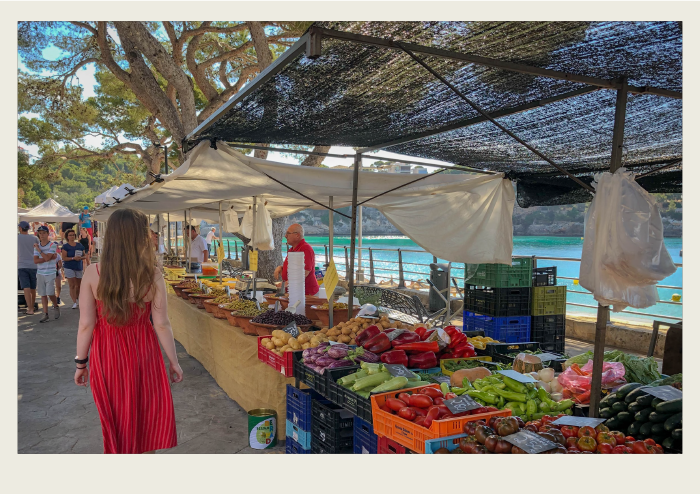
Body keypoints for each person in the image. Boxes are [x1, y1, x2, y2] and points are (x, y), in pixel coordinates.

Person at [74, 208, 183, 454]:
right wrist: (174, 362)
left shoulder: (93, 272)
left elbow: (86, 324)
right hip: (145, 351)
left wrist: (81, 363)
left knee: (117, 418)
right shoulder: (152, 273)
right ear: (140, 236)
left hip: (108, 354)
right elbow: (162, 323)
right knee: (147, 418)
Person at [274, 223, 320, 296]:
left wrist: (285, 284)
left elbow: (304, 272)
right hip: (294, 292)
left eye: (288, 233)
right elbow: (293, 268)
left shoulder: (305, 249)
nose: (285, 236)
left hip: (306, 294)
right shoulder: (292, 250)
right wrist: (281, 267)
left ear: (297, 235)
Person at [33, 225, 60, 322]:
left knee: (50, 292)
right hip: (40, 272)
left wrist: (41, 252)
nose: (42, 235)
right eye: (40, 233)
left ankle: (56, 305)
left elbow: (48, 258)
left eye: (44, 233)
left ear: (48, 234)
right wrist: (46, 257)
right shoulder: (36, 246)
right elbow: (36, 261)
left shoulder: (52, 245)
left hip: (50, 272)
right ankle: (45, 314)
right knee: (43, 294)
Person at [18, 221, 39, 315]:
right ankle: (32, 307)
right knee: (33, 287)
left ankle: (29, 308)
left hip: (22, 265)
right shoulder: (35, 238)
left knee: (26, 287)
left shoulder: (17, 238)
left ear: (20, 228)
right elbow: (39, 250)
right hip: (34, 265)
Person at [61, 229, 86, 309]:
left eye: (73, 235)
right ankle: (74, 301)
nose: (72, 236)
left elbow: (85, 256)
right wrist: (73, 258)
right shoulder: (65, 246)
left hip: (78, 266)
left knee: (78, 285)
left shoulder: (79, 245)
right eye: (70, 235)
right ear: (67, 237)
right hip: (69, 267)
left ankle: (78, 299)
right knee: (72, 285)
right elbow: (64, 258)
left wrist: (80, 258)